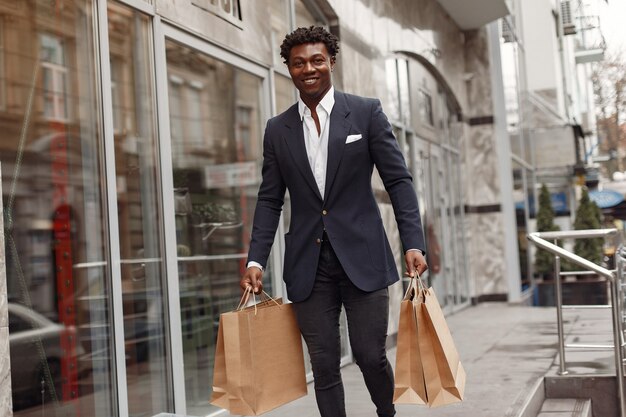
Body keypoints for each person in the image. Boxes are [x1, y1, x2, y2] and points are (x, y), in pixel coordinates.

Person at [240, 26, 428, 417]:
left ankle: (386, 413)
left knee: (368, 355)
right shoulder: (278, 129)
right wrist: (255, 259)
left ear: (331, 63)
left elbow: (398, 181)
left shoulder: (365, 112)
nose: (308, 69)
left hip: (363, 256)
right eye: (298, 63)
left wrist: (413, 242)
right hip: (309, 265)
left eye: (316, 60)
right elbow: (270, 198)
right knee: (323, 366)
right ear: (289, 70)